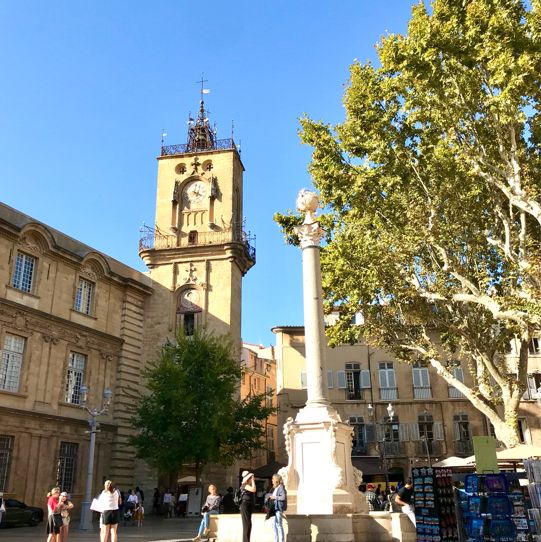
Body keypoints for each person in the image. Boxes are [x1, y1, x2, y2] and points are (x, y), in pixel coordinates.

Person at [268, 474, 287, 542]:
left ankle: (281, 540)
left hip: (278, 509)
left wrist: (274, 497)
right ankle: (276, 540)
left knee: (279, 525)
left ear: (276, 480)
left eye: (273, 479)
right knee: (274, 526)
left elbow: (283, 497)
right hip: (274, 509)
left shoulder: (281, 487)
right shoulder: (275, 488)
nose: (272, 480)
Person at [239, 471, 256, 542]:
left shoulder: (246, 485)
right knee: (246, 524)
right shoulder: (244, 485)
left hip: (248, 505)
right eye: (250, 478)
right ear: (248, 478)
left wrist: (252, 481)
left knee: (249, 524)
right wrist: (253, 481)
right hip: (245, 505)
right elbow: (254, 489)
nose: (251, 479)